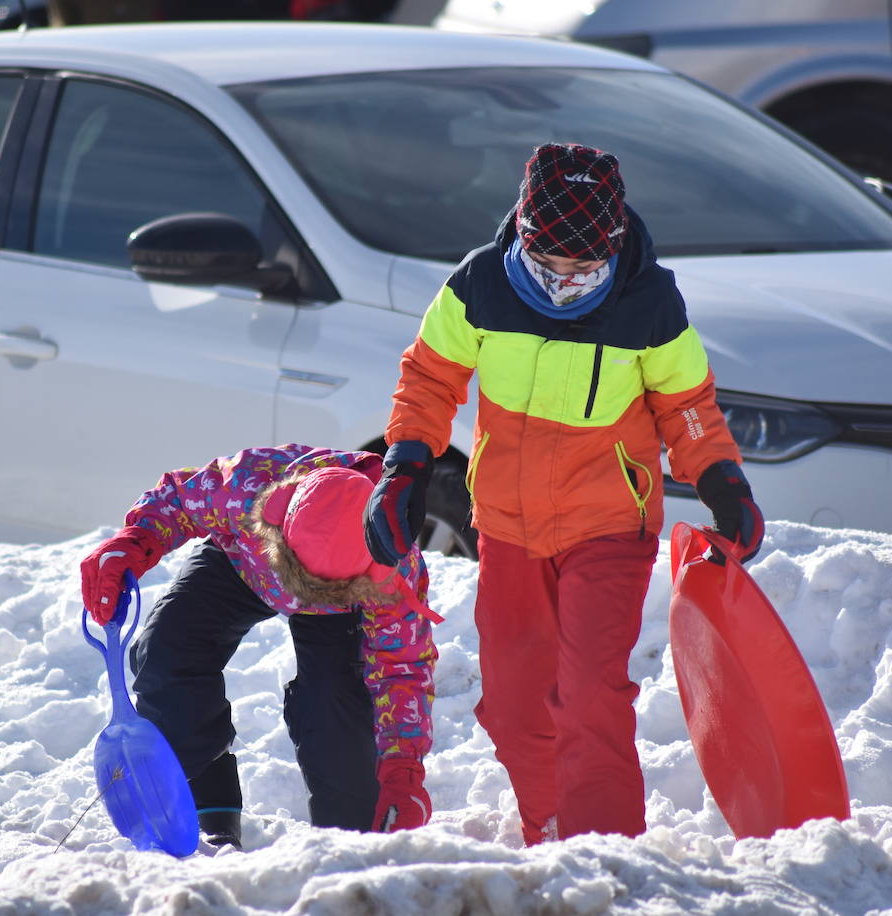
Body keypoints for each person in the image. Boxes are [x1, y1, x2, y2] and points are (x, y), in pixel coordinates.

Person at [364, 143, 763, 845]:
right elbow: (428, 379)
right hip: (509, 526)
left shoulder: (648, 301)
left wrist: (721, 480)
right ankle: (548, 823)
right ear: (522, 232)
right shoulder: (480, 285)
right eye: (548, 265)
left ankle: (603, 851)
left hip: (609, 521)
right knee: (515, 705)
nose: (563, 281)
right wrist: (405, 467)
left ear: (610, 246)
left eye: (583, 268)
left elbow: (687, 405)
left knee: (590, 697)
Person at [81, 444, 439, 850]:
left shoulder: (392, 570)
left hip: (343, 607)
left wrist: (403, 769)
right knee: (170, 645)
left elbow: (402, 671)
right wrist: (136, 539)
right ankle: (206, 805)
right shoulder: (250, 484)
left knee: (335, 706)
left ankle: (348, 842)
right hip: (248, 563)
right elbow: (179, 499)